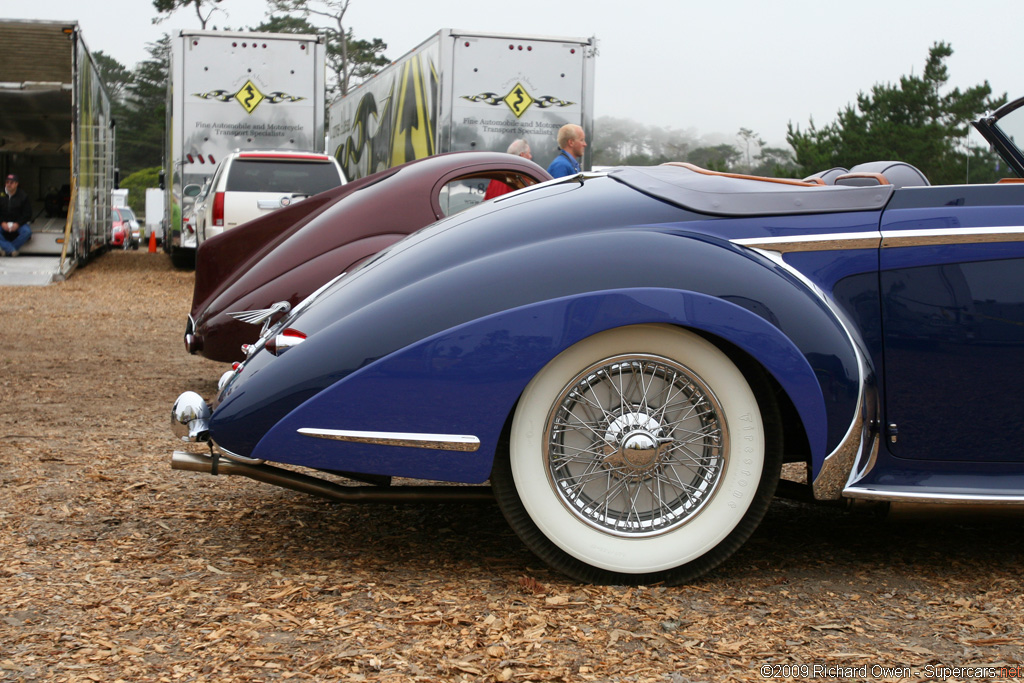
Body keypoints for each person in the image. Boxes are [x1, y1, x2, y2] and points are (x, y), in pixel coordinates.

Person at [0, 174, 32, 257]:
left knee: (27, 232)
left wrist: (18, 223)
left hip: (18, 223)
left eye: (11, 182)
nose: (9, 184)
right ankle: (11, 250)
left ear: (16, 184)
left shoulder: (23, 196)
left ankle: (6, 249)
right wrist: (2, 222)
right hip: (2, 222)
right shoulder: (0, 194)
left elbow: (28, 214)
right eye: (7, 182)